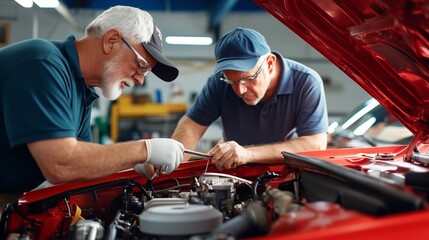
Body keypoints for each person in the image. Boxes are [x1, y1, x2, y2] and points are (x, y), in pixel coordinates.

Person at [0, 6, 184, 196]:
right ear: (111, 41)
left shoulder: (82, 89)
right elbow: (61, 164)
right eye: (141, 65)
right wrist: (143, 150)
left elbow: (81, 169)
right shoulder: (42, 64)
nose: (140, 80)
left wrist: (130, 163)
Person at [171, 27, 328, 170]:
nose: (240, 90)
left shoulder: (306, 82)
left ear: (270, 63)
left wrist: (248, 154)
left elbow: (314, 144)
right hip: (234, 173)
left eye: (248, 78)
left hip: (284, 174)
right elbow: (191, 126)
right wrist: (169, 164)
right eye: (232, 81)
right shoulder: (219, 82)